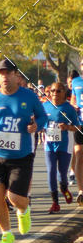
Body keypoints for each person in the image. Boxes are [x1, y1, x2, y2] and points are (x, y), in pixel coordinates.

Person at [0, 58, 48, 243]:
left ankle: (24, 208)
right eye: (1, 73)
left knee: (13, 197)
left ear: (16, 75)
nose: (4, 77)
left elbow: (43, 116)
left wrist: (37, 125)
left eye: (8, 73)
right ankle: (6, 233)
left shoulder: (28, 96)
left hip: (21, 155)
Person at [42, 83, 79, 212]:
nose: (55, 94)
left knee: (62, 173)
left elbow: (78, 127)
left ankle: (64, 188)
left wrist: (67, 127)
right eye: (52, 91)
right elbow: (39, 121)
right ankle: (55, 203)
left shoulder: (69, 109)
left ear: (64, 92)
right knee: (51, 171)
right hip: (49, 145)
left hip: (64, 145)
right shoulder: (45, 106)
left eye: (58, 91)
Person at [69, 69, 83, 205]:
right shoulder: (76, 81)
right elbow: (73, 100)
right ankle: (81, 191)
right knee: (79, 155)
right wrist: (74, 106)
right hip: (80, 124)